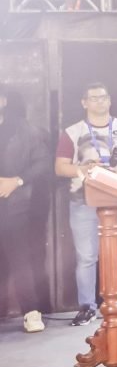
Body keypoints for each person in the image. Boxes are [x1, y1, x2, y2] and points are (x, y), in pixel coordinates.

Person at [54, 82, 117, 326]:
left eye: (103, 97)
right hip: (83, 201)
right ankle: (87, 306)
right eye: (93, 98)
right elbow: (60, 166)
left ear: (110, 100)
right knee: (86, 257)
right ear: (84, 102)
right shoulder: (72, 132)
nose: (99, 102)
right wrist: (82, 169)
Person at [0, 86, 51, 333]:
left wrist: (16, 181)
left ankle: (31, 312)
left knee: (21, 260)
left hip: (14, 206)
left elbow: (42, 162)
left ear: (4, 101)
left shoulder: (25, 130)